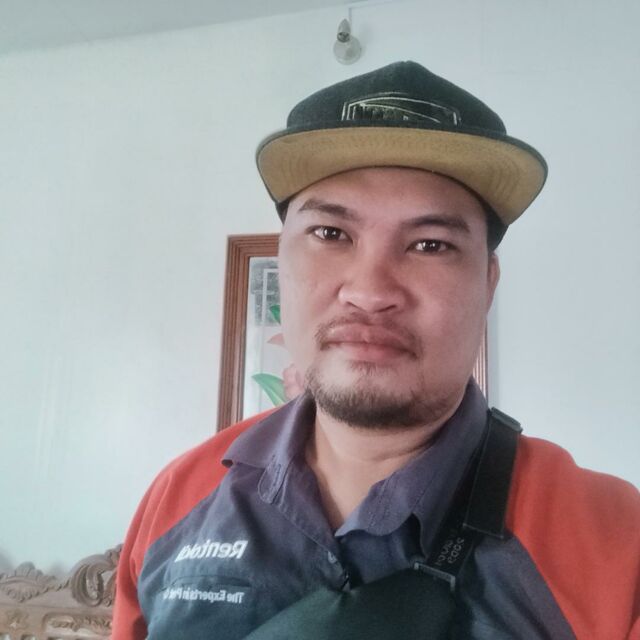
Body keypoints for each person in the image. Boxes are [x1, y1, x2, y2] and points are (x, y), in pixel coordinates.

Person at [112, 62, 640, 639]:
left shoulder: (616, 542)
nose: (369, 291)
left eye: (430, 244)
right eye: (331, 234)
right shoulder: (176, 497)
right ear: (280, 261)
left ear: (487, 284)